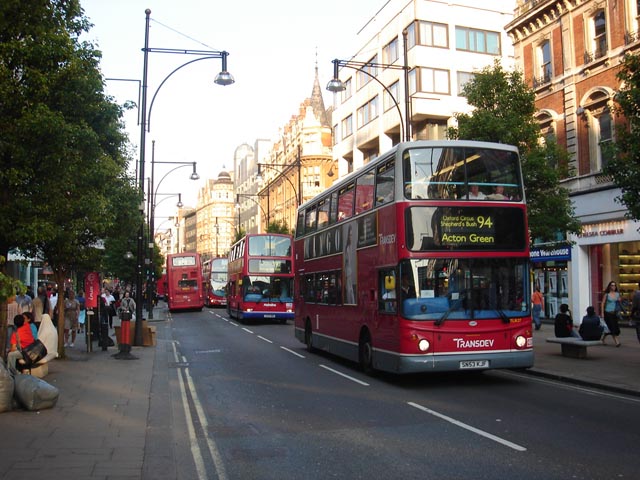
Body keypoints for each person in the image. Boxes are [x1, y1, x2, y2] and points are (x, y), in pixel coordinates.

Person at [601, 281, 622, 346]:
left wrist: (620, 300)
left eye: (614, 285)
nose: (613, 286)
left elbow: (619, 302)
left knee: (612, 328)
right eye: (612, 285)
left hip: (614, 313)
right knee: (612, 327)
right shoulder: (607, 294)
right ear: (609, 286)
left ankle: (602, 339)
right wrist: (602, 313)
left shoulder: (617, 294)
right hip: (607, 313)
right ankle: (617, 342)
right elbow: (602, 303)